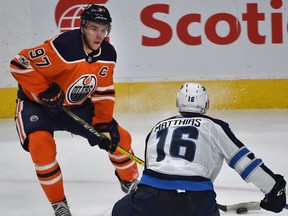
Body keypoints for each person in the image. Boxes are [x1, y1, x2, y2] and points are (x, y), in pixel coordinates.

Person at [10, 4, 139, 216]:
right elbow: (19, 64)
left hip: (75, 106)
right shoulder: (64, 47)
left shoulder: (107, 54)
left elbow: (103, 91)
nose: (99, 35)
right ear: (83, 27)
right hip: (37, 105)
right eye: (94, 28)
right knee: (41, 146)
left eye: (103, 29)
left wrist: (103, 122)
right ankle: (59, 204)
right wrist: (45, 91)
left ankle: (131, 183)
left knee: (119, 138)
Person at [112, 82, 287, 216]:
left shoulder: (158, 127)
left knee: (119, 210)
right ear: (206, 104)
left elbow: (150, 172)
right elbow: (247, 165)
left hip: (150, 198)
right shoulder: (214, 126)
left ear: (178, 103)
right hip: (197, 201)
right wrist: (274, 189)